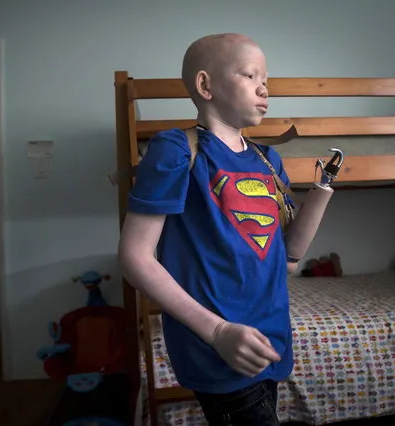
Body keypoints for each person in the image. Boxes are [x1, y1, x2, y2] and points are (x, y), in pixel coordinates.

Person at [117, 33, 294, 425]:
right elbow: (133, 258)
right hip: (215, 344)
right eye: (250, 75)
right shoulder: (176, 150)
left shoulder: (269, 160)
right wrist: (217, 332)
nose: (265, 87)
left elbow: (289, 257)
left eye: (267, 78)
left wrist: (323, 194)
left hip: (269, 336)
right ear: (205, 85)